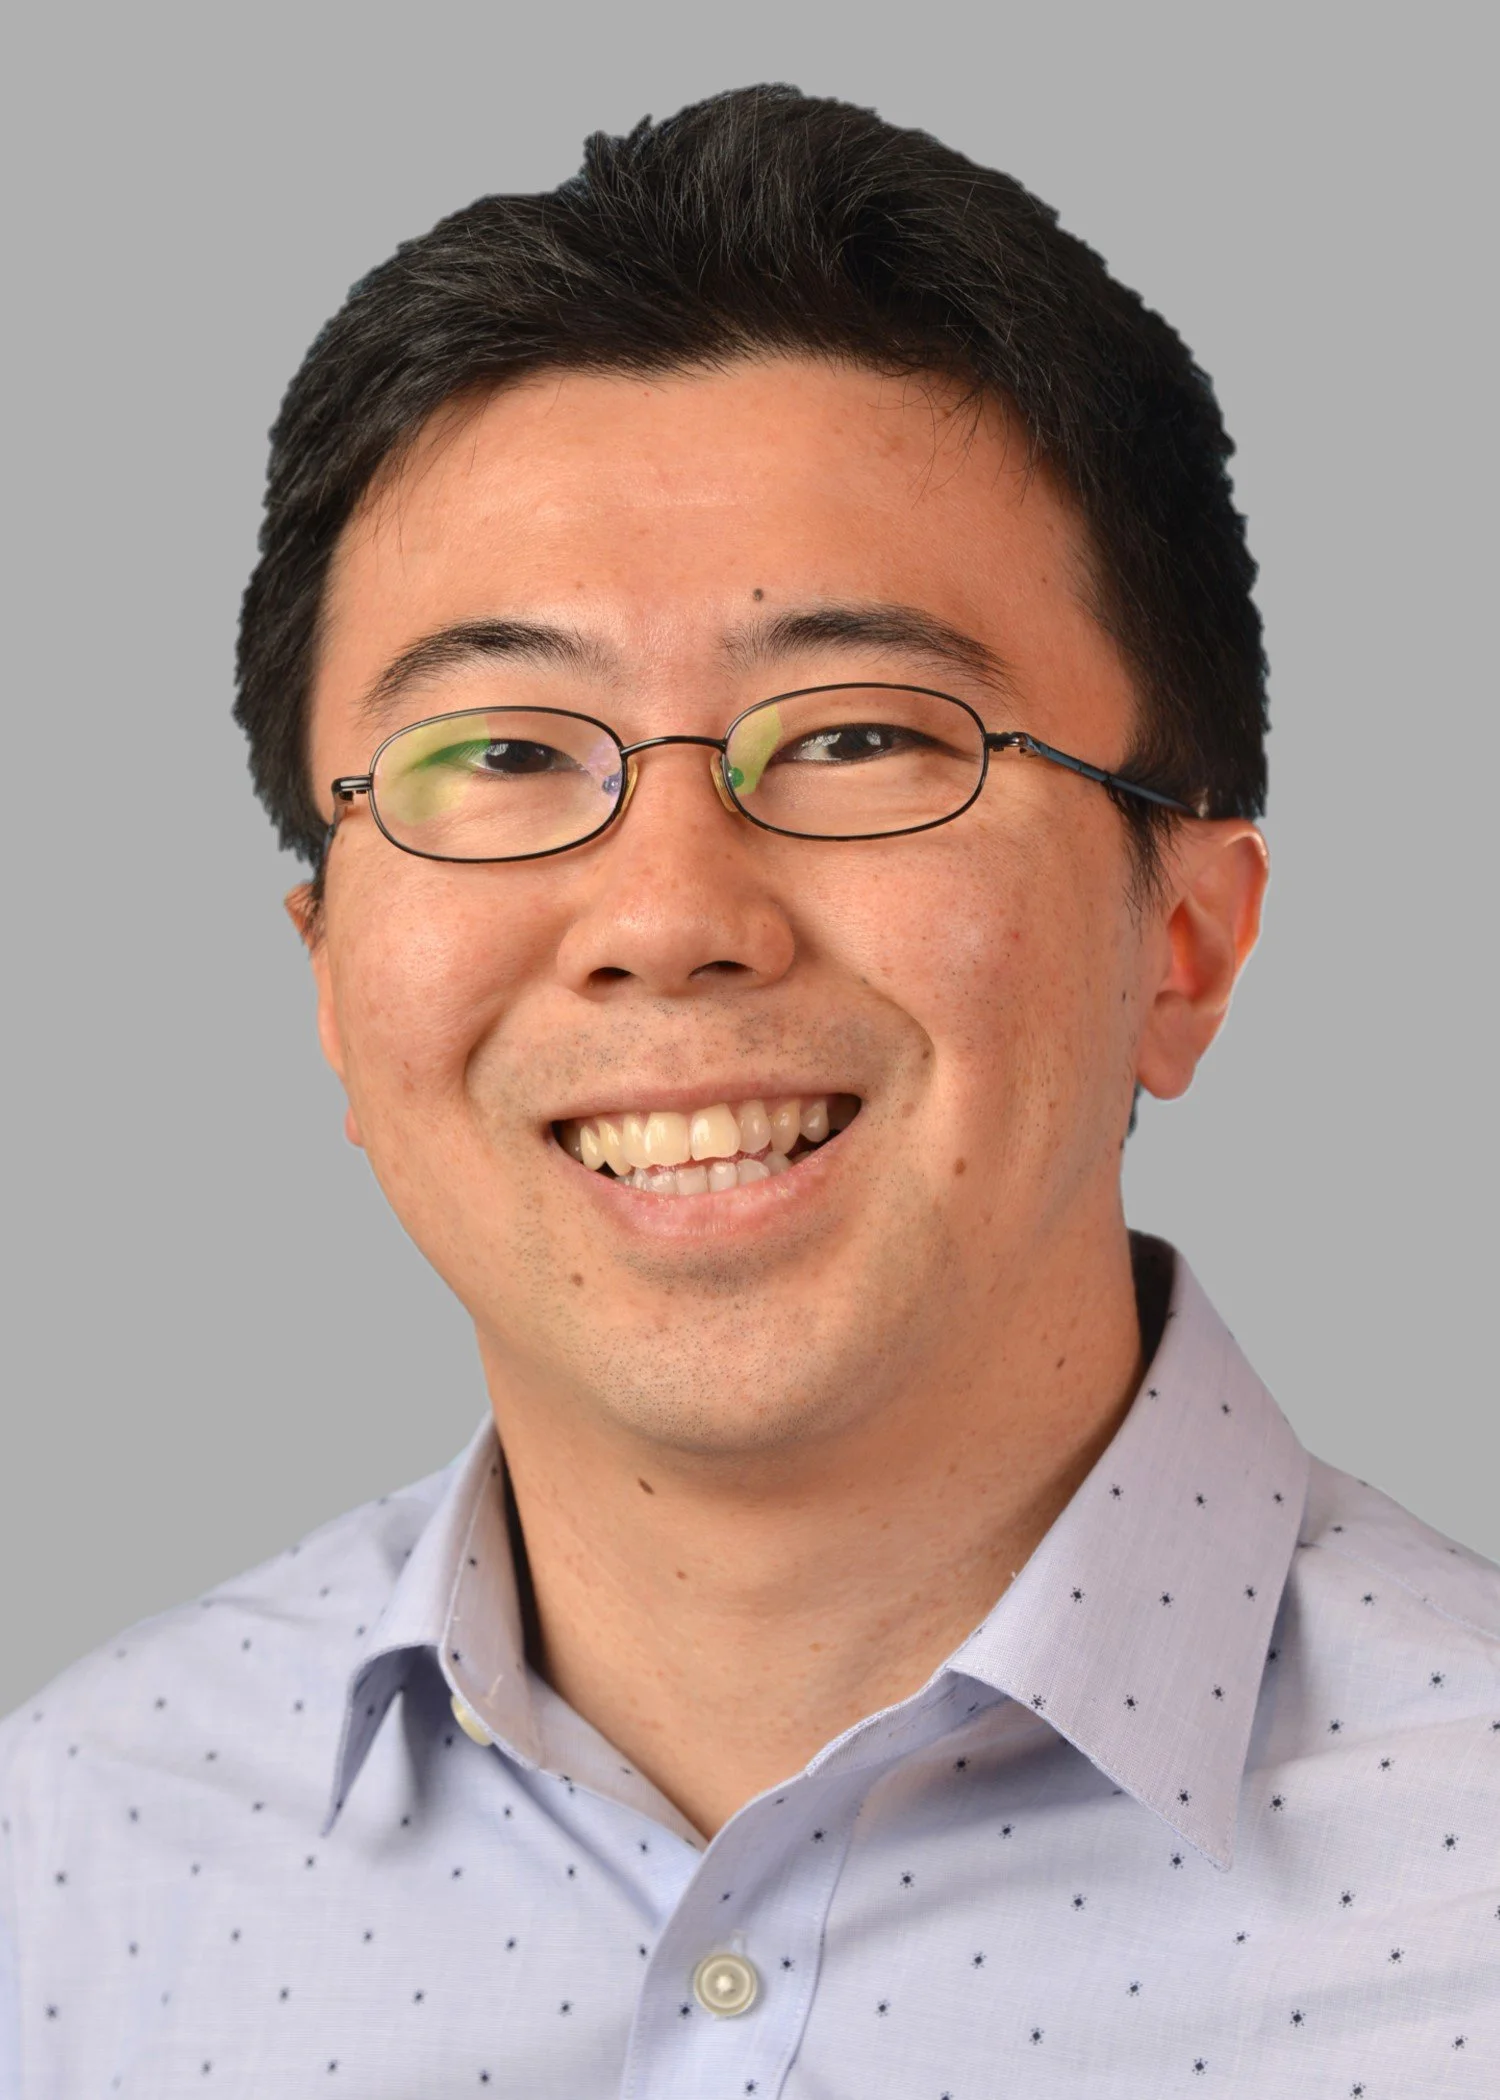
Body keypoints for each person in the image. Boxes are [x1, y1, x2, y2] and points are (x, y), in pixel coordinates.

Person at [2, 83, 1494, 2099]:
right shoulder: (69, 1870)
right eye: (505, 755)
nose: (669, 916)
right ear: (332, 992)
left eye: (865, 734)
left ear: (1189, 941)